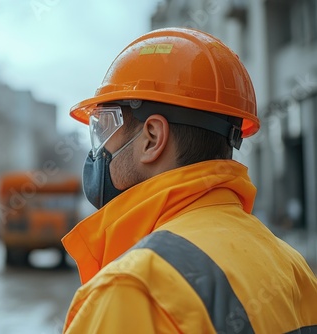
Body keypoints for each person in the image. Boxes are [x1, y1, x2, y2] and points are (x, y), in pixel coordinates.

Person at [61, 27, 317, 334]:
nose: (99, 150)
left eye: (105, 129)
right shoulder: (293, 267)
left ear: (152, 138)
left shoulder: (132, 290)